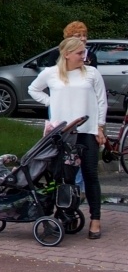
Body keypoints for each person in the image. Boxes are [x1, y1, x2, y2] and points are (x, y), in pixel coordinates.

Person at [29, 36, 106, 238]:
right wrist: (51, 102)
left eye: (84, 52)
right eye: (80, 53)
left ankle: (95, 220)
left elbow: (101, 100)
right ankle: (65, 213)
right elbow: (33, 89)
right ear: (67, 54)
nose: (84, 56)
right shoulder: (51, 74)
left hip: (86, 131)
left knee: (90, 175)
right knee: (64, 177)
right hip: (63, 133)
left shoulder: (91, 73)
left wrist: (100, 127)